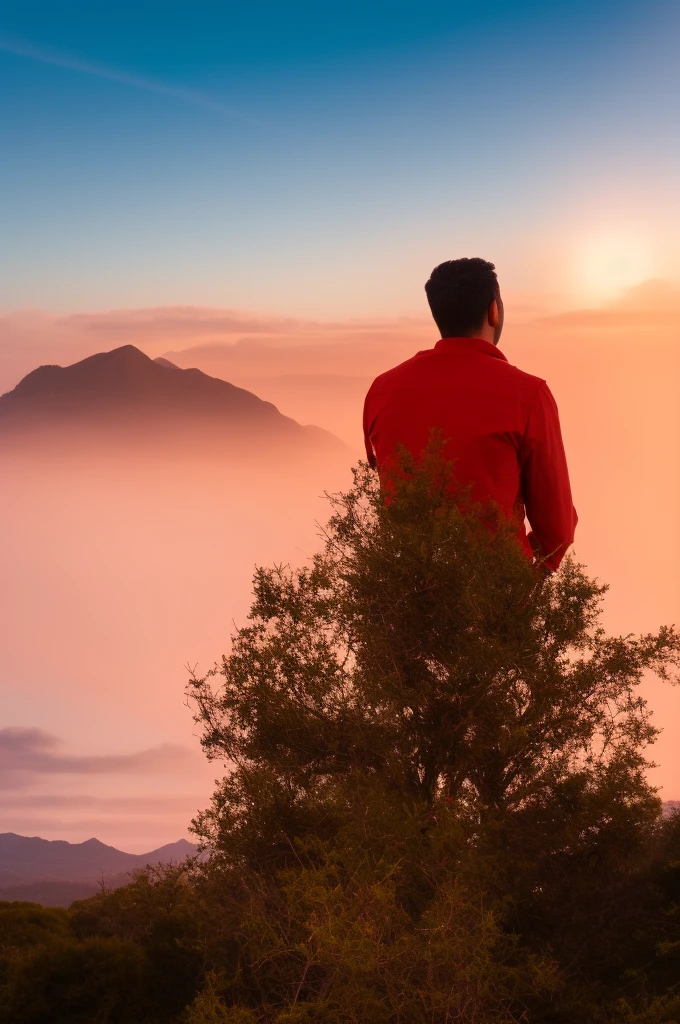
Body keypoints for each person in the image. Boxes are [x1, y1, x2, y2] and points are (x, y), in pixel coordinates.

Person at [363, 258, 577, 571]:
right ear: (494, 310)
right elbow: (556, 528)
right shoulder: (528, 395)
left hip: (404, 593)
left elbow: (387, 483)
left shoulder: (381, 390)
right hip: (494, 594)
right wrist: (522, 581)